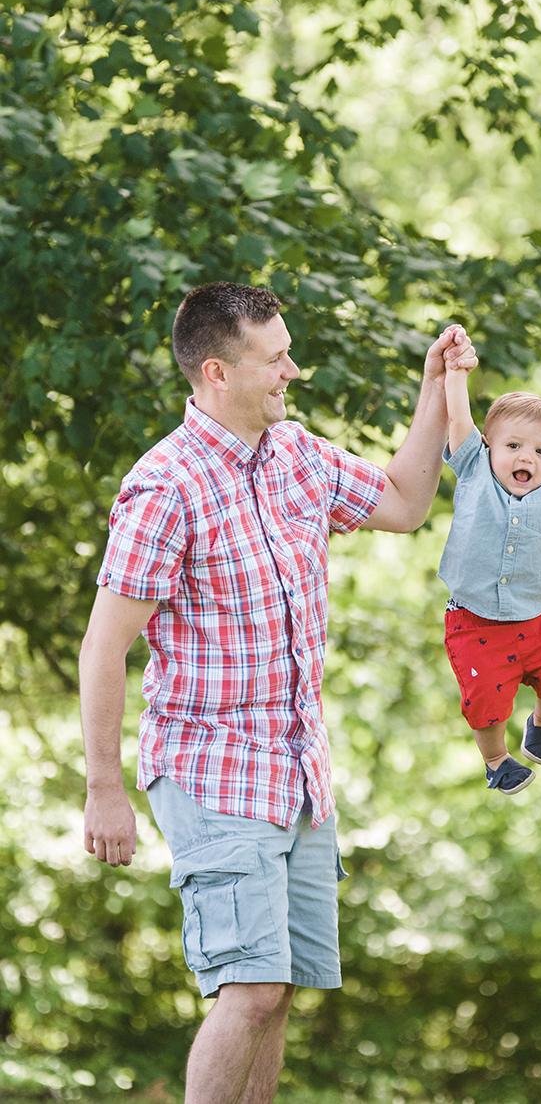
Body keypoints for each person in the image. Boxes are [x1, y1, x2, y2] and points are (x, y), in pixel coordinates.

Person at [79, 281, 475, 1104]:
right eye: (276, 358)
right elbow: (104, 647)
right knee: (251, 988)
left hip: (297, 775)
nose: (292, 371)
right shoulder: (165, 487)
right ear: (218, 372)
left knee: (278, 991)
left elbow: (404, 503)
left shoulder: (297, 455)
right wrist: (103, 789)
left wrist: (437, 389)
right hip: (212, 768)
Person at [439, 334, 541, 794]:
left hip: (531, 619)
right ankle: (497, 761)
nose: (526, 458)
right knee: (487, 701)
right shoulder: (473, 466)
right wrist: (456, 373)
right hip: (473, 620)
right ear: (488, 445)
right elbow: (458, 418)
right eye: (513, 445)